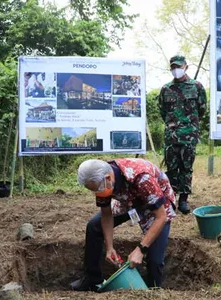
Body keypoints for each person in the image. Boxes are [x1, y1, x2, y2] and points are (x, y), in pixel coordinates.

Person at [70, 158, 176, 291]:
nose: (98, 193)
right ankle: (92, 278)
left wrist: (140, 249)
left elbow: (161, 217)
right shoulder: (101, 182)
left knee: (154, 258)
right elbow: (106, 214)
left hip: (157, 205)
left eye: (98, 190)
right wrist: (109, 247)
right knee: (94, 226)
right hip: (128, 200)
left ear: (108, 178)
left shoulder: (141, 177)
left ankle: (153, 289)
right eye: (94, 191)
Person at [158, 55, 207, 214]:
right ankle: (171, 197)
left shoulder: (197, 87)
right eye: (173, 67)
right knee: (171, 167)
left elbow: (202, 110)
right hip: (171, 135)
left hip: (189, 134)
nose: (175, 70)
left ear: (186, 67)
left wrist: (189, 123)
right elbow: (162, 111)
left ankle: (184, 199)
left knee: (186, 167)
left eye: (178, 66)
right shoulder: (166, 89)